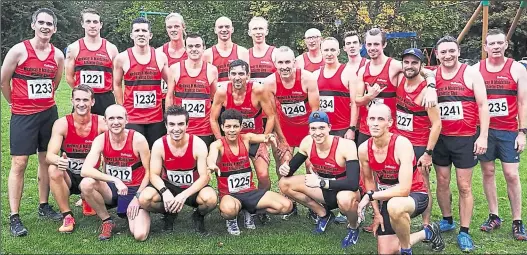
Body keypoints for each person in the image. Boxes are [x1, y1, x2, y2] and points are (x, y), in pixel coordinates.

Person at [1, 8, 65, 237]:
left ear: (55, 29)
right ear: (33, 25)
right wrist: (14, 103)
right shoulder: (19, 51)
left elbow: (54, 83)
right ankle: (14, 216)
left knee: (47, 160)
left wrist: (41, 103)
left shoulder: (57, 55)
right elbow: (3, 81)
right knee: (19, 163)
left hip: (48, 114)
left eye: (50, 24)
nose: (45, 27)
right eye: (41, 23)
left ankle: (43, 205)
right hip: (23, 115)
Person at [357, 104, 445, 255]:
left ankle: (406, 249)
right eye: (372, 118)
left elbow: (404, 190)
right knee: (386, 251)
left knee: (395, 206)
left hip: (414, 195)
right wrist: (377, 213)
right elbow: (369, 181)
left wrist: (370, 196)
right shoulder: (364, 149)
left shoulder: (401, 144)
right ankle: (429, 232)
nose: (375, 123)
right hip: (387, 198)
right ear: (367, 121)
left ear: (390, 123)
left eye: (380, 119)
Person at [433, 35, 489, 252]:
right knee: (442, 181)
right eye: (443, 52)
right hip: (440, 138)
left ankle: (464, 231)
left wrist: (483, 136)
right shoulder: (432, 75)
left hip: (465, 138)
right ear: (437, 54)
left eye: (451, 51)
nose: (448, 55)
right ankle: (448, 219)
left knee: (464, 186)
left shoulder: (471, 73)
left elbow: (483, 106)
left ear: (458, 51)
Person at [278, 111, 362, 248]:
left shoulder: (346, 146)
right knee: (284, 184)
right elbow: (290, 171)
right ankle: (323, 214)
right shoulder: (307, 142)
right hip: (323, 190)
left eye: (322, 128)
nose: (317, 133)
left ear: (329, 127)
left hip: (345, 190)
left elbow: (353, 184)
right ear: (309, 129)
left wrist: (322, 182)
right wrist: (285, 169)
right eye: (313, 128)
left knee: (345, 199)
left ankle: (353, 227)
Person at [474, 29, 527, 240]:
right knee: (487, 172)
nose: (496, 47)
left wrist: (522, 132)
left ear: (506, 45)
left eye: (499, 43)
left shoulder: (517, 69)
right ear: (485, 47)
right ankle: (494, 215)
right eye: (491, 44)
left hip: (508, 131)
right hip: (485, 131)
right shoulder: (475, 69)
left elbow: (523, 102)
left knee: (512, 175)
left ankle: (517, 221)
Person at [210, 59, 277, 224]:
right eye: (233, 74)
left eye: (241, 73)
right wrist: (221, 141)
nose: (237, 77)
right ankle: (231, 203)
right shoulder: (222, 91)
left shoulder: (258, 90)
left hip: (254, 138)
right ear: (228, 75)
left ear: (248, 75)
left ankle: (254, 207)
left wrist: (263, 143)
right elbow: (213, 119)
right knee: (230, 175)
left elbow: (271, 116)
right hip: (231, 139)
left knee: (263, 175)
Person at [207, 109, 293, 235]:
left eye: (235, 126)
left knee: (286, 206)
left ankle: (250, 210)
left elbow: (263, 137)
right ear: (222, 127)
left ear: (241, 126)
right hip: (229, 194)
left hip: (249, 192)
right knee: (229, 210)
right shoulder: (217, 145)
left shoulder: (246, 139)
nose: (232, 130)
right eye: (228, 126)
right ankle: (232, 219)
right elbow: (211, 156)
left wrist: (270, 137)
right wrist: (211, 164)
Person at [138, 105, 217, 235]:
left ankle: (198, 215)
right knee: (145, 199)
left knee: (211, 199)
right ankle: (169, 212)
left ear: (187, 125)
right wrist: (165, 192)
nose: (176, 129)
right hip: (169, 186)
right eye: (172, 124)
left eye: (180, 124)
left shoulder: (198, 144)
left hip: (192, 187)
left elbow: (204, 177)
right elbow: (154, 174)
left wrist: (184, 195)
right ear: (166, 126)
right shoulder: (159, 145)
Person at [354, 28, 437, 147]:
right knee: (365, 163)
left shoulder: (393, 66)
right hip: (367, 128)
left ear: (384, 45)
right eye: (369, 44)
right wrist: (369, 96)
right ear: (365, 46)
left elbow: (426, 72)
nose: (372, 48)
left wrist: (431, 88)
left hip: (389, 130)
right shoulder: (363, 70)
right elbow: (357, 101)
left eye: (376, 44)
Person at [80, 104, 151, 241]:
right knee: (86, 184)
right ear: (105, 121)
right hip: (112, 188)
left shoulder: (138, 140)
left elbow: (149, 172)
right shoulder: (100, 140)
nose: (116, 122)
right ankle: (107, 221)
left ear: (127, 120)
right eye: (111, 118)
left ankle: (136, 210)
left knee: (140, 235)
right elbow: (85, 170)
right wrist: (116, 180)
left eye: (119, 118)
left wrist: (138, 198)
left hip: (134, 189)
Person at [264, 46, 320, 220]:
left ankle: (315, 205)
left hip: (306, 128)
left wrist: (312, 137)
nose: (284, 66)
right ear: (275, 64)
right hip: (284, 129)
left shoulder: (308, 78)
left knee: (313, 166)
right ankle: (291, 203)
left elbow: (315, 111)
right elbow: (272, 114)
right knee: (284, 166)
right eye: (280, 62)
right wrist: (281, 139)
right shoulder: (270, 82)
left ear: (294, 62)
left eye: (288, 62)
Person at [46, 85, 107, 233]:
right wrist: (59, 161)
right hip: (69, 176)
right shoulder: (62, 123)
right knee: (53, 169)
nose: (81, 104)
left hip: (91, 176)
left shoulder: (102, 122)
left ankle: (88, 197)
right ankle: (67, 215)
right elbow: (49, 155)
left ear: (92, 102)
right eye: (78, 100)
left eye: (85, 100)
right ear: (72, 101)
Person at [395, 48, 442, 227]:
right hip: (399, 142)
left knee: (422, 185)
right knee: (398, 181)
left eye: (414, 62)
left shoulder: (427, 92)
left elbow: (437, 124)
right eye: (406, 62)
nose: (409, 66)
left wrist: (428, 153)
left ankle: (426, 224)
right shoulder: (400, 79)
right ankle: (398, 217)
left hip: (418, 144)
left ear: (421, 65)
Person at [113, 17, 170, 148]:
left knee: (155, 153)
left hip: (156, 117)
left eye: (144, 30)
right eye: (137, 30)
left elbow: (171, 82)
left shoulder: (160, 57)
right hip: (132, 117)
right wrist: (122, 108)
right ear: (132, 35)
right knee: (135, 153)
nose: (140, 33)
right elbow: (116, 84)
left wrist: (167, 106)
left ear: (150, 35)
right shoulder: (122, 58)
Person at [166, 33, 218, 149]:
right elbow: (169, 97)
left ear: (203, 48)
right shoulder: (174, 69)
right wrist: (169, 126)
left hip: (204, 128)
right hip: (181, 128)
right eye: (190, 46)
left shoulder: (212, 70)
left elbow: (215, 99)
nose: (194, 49)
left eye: (197, 46)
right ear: (185, 48)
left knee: (203, 164)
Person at [64, 8, 119, 115]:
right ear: (82, 24)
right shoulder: (73, 48)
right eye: (88, 21)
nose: (92, 25)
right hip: (83, 99)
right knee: (79, 130)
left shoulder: (111, 48)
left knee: (107, 130)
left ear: (101, 24)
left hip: (105, 99)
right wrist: (81, 92)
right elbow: (69, 77)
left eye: (95, 22)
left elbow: (116, 78)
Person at [203, 16, 249, 87]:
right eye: (220, 27)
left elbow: (247, 79)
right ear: (215, 30)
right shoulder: (207, 54)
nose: (224, 30)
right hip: (216, 96)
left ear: (232, 29)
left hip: (237, 96)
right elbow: (205, 81)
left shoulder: (242, 52)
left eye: (227, 27)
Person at [156, 13, 188, 111]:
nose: (173, 29)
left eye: (176, 26)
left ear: (183, 27)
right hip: (163, 100)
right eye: (169, 27)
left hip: (185, 99)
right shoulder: (158, 53)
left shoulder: (193, 52)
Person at [247, 16, 276, 83]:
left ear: (266, 31)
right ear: (249, 32)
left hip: (270, 92)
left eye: (261, 28)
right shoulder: (245, 54)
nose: (258, 32)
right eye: (255, 29)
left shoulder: (275, 52)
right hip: (253, 92)